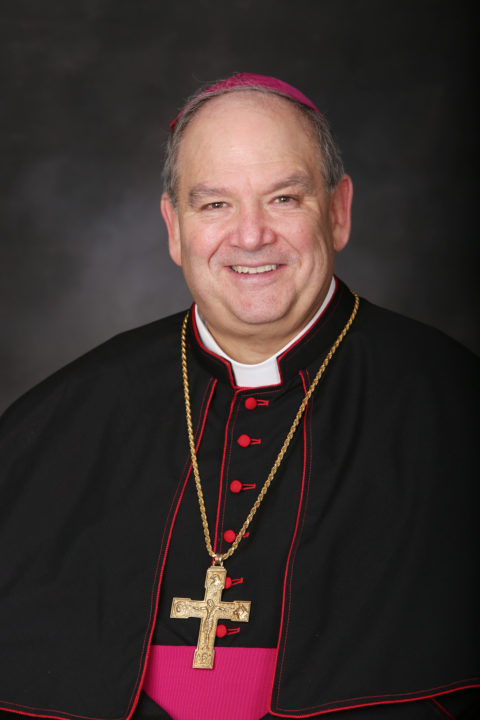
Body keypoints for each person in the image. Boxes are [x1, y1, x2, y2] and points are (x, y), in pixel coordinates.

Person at [0, 73, 478, 720]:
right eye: (215, 205)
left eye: (284, 198)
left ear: (338, 212)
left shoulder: (453, 400)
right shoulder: (60, 417)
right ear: (174, 227)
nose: (250, 236)